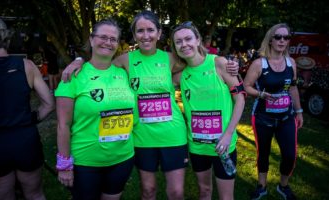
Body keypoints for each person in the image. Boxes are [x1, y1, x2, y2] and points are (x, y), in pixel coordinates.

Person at [61, 10, 239, 200]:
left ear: (159, 33)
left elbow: (199, 65)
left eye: (150, 30)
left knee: (176, 192)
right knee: (148, 191)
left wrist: (229, 66)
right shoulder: (124, 60)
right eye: (140, 31)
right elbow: (100, 64)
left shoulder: (171, 58)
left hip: (173, 134)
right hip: (142, 136)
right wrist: (78, 60)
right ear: (134, 34)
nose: (145, 36)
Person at [55, 19, 135, 200]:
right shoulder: (74, 76)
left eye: (113, 39)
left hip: (122, 158)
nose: (108, 42)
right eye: (103, 37)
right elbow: (63, 125)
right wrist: (65, 164)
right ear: (91, 40)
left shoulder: (124, 73)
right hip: (86, 162)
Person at [171, 21, 245, 200]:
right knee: (204, 192)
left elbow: (240, 98)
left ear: (198, 40)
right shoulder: (180, 75)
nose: (184, 44)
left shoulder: (219, 63)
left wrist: (228, 134)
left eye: (188, 38)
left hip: (223, 145)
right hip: (197, 146)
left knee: (226, 197)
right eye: (178, 42)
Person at [0, 16, 54, 200]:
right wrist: (32, 119)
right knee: (35, 195)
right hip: (25, 140)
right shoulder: (27, 65)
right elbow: (49, 104)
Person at [243, 23, 303, 200]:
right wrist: (261, 94)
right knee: (264, 153)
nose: (282, 40)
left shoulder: (291, 63)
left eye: (286, 37)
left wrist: (298, 111)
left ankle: (283, 186)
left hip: (286, 117)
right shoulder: (259, 63)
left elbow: (292, 88)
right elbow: (246, 86)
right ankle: (261, 186)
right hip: (263, 118)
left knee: (290, 154)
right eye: (278, 37)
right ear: (270, 39)